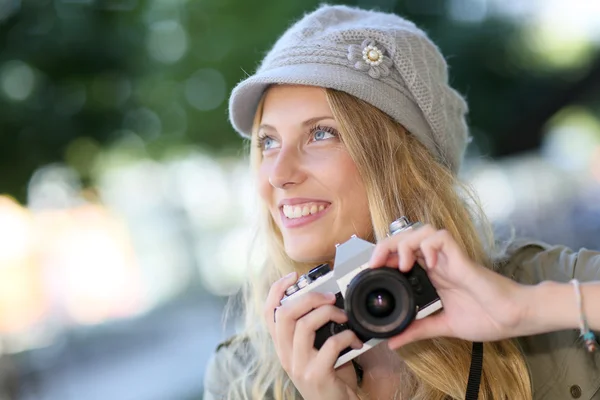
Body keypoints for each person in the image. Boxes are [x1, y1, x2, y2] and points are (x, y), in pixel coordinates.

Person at [203, 4, 600, 400]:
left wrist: (524, 310)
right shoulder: (241, 377)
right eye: (268, 142)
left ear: (403, 163)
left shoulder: (544, 284)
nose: (278, 174)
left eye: (321, 134)